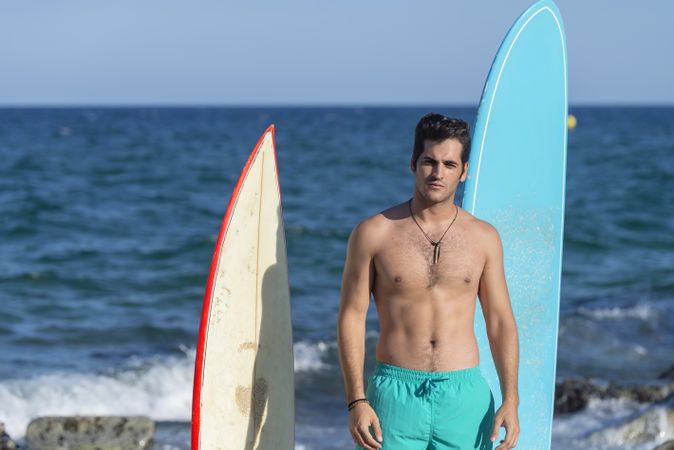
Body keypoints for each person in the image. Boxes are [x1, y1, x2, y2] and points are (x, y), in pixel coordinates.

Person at [337, 113, 520, 450]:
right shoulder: (373, 233)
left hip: (464, 398)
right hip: (394, 396)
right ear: (413, 163)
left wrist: (511, 399)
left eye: (449, 164)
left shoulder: (483, 238)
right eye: (429, 162)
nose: (438, 173)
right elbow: (351, 316)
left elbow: (500, 321)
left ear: (464, 172)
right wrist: (356, 401)